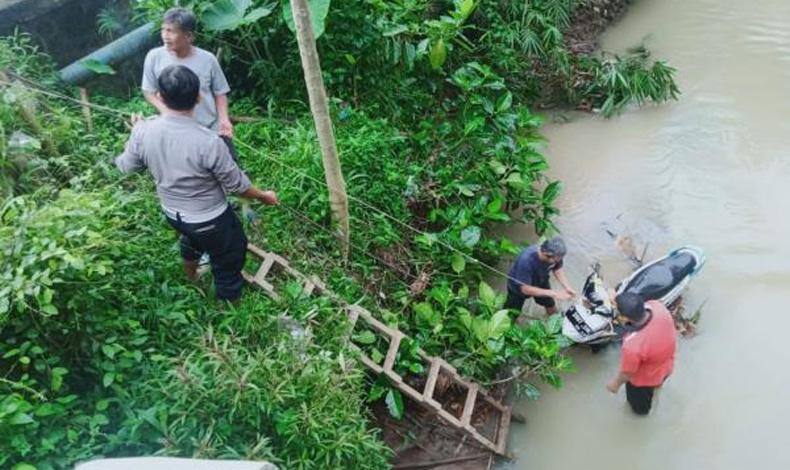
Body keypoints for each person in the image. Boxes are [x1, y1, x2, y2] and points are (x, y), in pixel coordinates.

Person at [115, 65, 278, 303]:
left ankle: (192, 278)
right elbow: (237, 186)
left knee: (191, 238)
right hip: (210, 219)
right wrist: (264, 196)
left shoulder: (143, 131)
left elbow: (126, 166)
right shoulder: (209, 142)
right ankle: (228, 306)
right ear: (199, 97)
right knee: (230, 254)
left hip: (173, 213)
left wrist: (136, 132)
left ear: (160, 97)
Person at [141, 7, 237, 158]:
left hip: (210, 129)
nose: (165, 36)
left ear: (189, 36)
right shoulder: (154, 57)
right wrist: (166, 111)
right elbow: (149, 91)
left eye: (171, 31)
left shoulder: (208, 59)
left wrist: (224, 119)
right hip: (175, 132)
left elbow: (220, 92)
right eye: (163, 30)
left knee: (231, 170)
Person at [606, 292, 677, 415]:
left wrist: (615, 385)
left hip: (644, 381)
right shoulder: (657, 307)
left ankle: (640, 416)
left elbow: (627, 373)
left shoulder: (632, 346)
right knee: (657, 385)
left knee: (639, 410)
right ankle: (657, 388)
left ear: (625, 318)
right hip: (667, 366)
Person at [505, 237, 576, 315]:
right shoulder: (526, 260)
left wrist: (567, 287)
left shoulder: (555, 256)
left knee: (550, 303)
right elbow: (525, 289)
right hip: (518, 289)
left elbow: (557, 269)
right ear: (547, 255)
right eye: (556, 260)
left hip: (541, 280)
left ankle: (555, 321)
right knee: (511, 313)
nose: (557, 262)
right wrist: (555, 293)